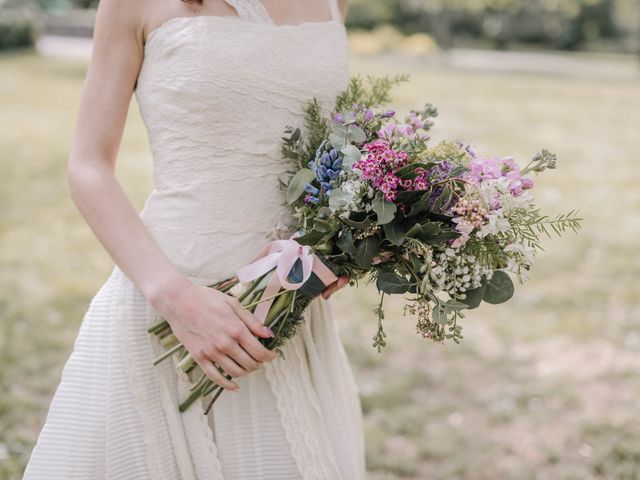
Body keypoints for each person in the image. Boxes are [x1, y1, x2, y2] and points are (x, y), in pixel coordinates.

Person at [23, 0, 365, 478]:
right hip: (170, 298)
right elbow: (88, 165)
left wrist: (341, 248)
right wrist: (176, 299)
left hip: (285, 309)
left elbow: (325, 158)